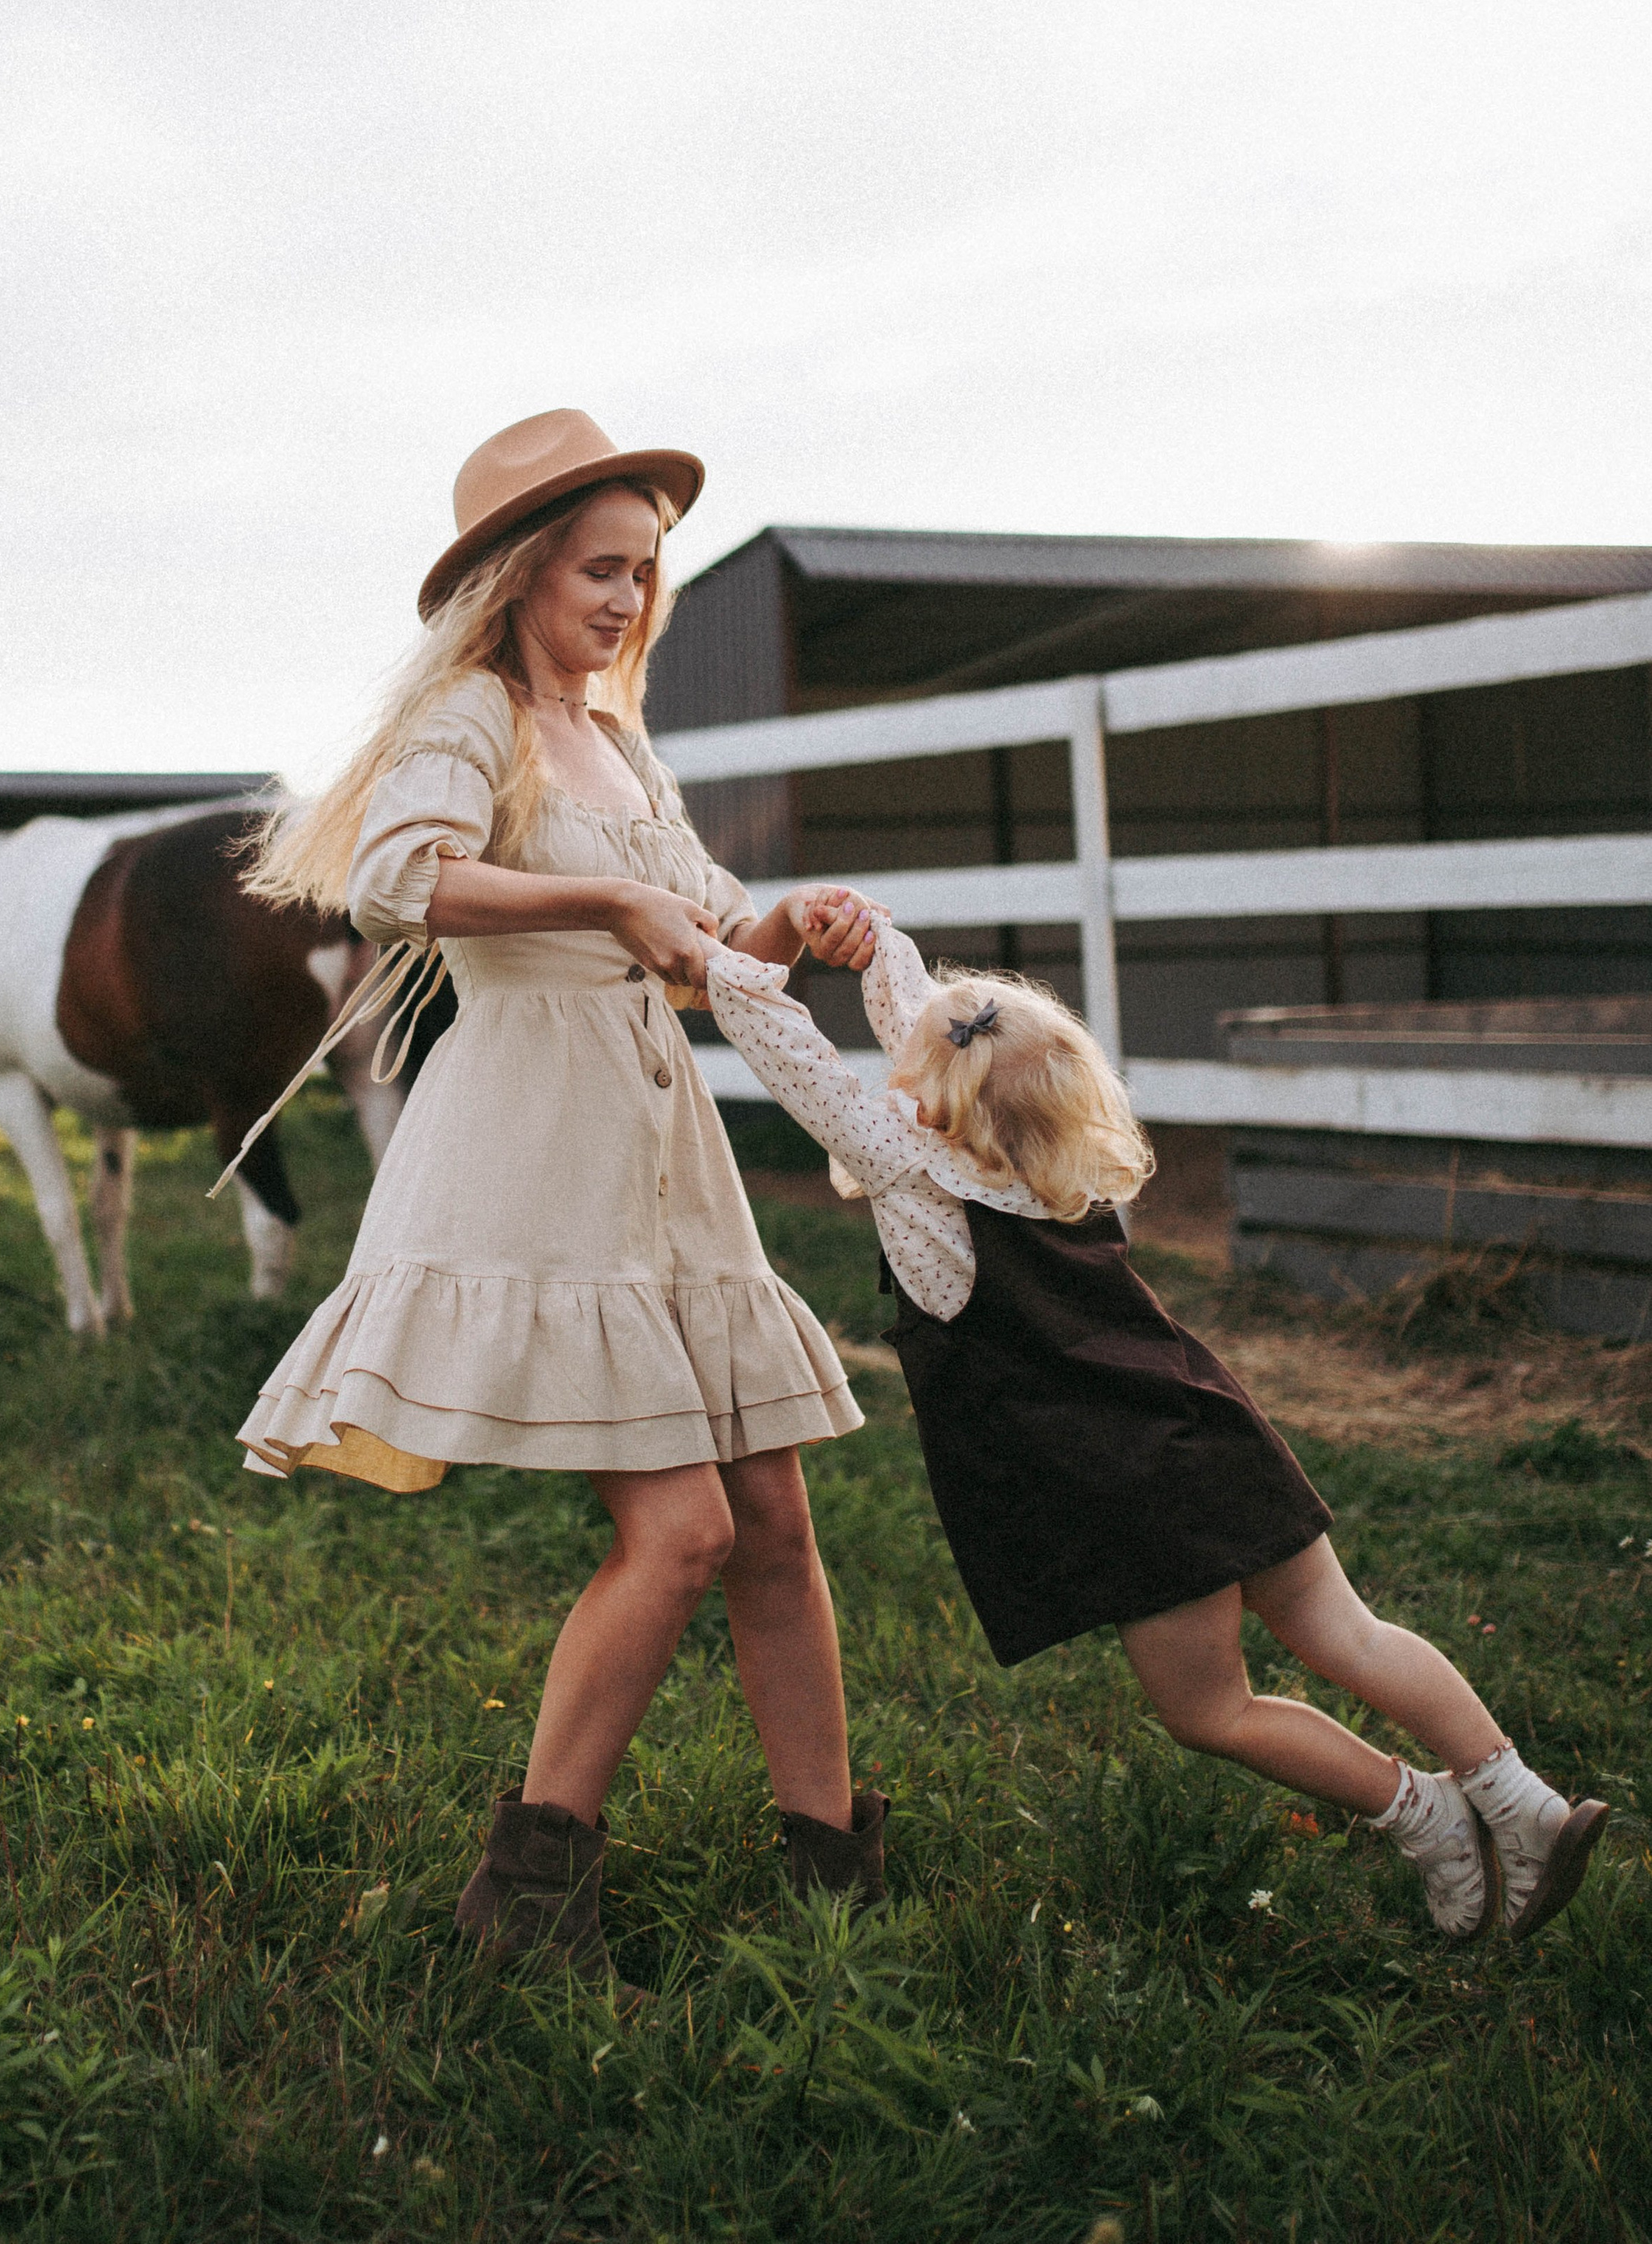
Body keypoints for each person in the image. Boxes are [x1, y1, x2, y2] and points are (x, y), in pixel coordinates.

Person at [231, 410, 884, 1980]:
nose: (625, 600)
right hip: (537, 1154)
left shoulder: (619, 739)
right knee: (675, 1535)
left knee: (775, 1526)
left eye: (644, 574)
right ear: (520, 572)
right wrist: (603, 895)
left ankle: (836, 1870)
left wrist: (793, 918)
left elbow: (712, 944)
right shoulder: (474, 714)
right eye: (600, 569)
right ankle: (521, 1903)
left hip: (662, 1163)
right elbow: (397, 878)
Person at [703, 900, 1609, 1944]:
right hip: (1213, 1430)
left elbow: (799, 1061)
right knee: (1347, 1630)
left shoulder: (927, 1198)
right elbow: (951, 1029)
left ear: (927, 1112)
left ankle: (1426, 1814)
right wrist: (879, 953)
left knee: (1210, 1709)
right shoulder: (1059, 1174)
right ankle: (1522, 1796)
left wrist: (719, 960)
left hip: (1132, 1493)